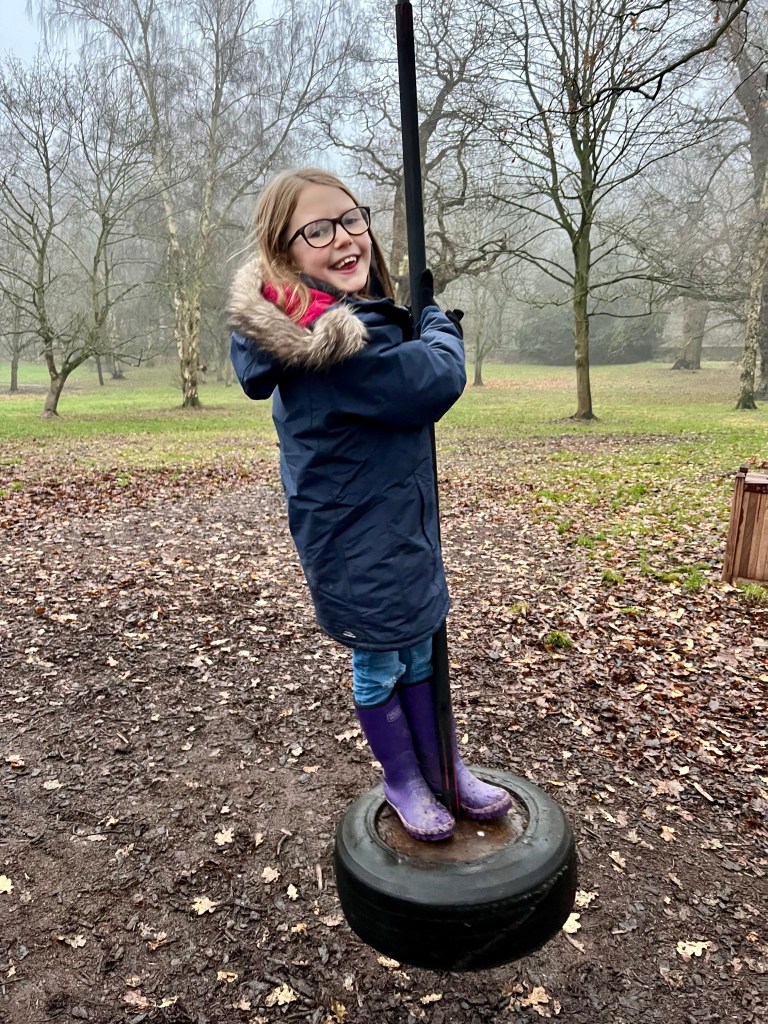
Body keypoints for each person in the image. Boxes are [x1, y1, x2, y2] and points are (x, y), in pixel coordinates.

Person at [229, 168, 512, 841]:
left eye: (352, 219)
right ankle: (404, 778)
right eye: (318, 230)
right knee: (381, 659)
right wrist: (438, 321)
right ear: (284, 252)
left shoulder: (353, 317)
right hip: (356, 538)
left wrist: (407, 313)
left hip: (394, 520)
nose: (345, 237)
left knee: (417, 651)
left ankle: (443, 765)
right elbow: (432, 380)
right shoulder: (326, 341)